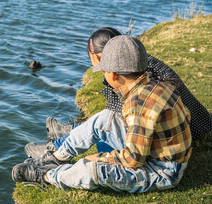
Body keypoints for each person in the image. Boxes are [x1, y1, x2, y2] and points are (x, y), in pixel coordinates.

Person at [12, 35, 192, 193]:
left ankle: (49, 176)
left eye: (104, 72)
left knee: (92, 170)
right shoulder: (155, 85)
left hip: (162, 171)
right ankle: (58, 157)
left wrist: (96, 157)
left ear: (113, 75)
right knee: (106, 117)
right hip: (155, 151)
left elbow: (132, 159)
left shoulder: (138, 103)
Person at [24, 27, 211, 159]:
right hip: (193, 125)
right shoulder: (140, 62)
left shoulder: (123, 73)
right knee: (104, 125)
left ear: (97, 56)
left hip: (175, 137)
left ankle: (59, 144)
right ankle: (69, 134)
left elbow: (119, 116)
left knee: (103, 140)